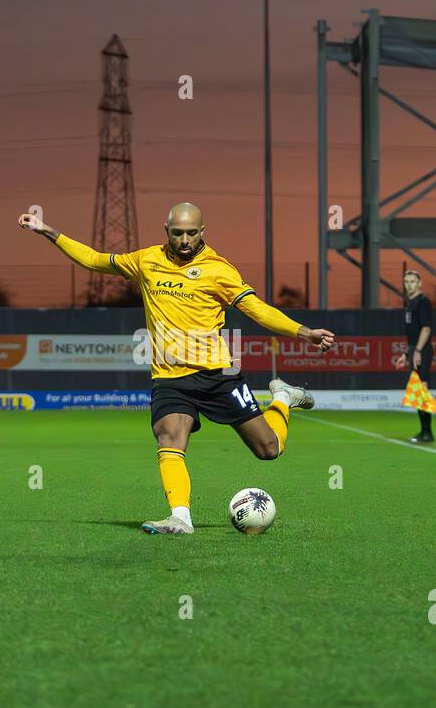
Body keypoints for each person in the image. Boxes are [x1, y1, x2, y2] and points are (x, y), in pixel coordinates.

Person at [18, 203, 335, 535]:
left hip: (218, 375)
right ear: (165, 230)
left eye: (191, 233)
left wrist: (304, 332)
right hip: (170, 378)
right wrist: (46, 229)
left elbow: (258, 310)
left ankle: (282, 397)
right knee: (169, 436)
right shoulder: (146, 260)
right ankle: (180, 517)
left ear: (203, 231)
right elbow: (94, 260)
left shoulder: (219, 269)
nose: (184, 240)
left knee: (269, 450)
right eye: (177, 233)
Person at [391, 270, 435, 443]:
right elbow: (413, 333)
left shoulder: (423, 302)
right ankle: (424, 432)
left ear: (419, 284)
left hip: (422, 351)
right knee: (418, 392)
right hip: (415, 349)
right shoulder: (411, 303)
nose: (409, 284)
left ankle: (427, 433)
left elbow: (426, 329)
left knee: (422, 391)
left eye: (412, 281)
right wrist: (406, 353)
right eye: (406, 281)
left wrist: (417, 351)